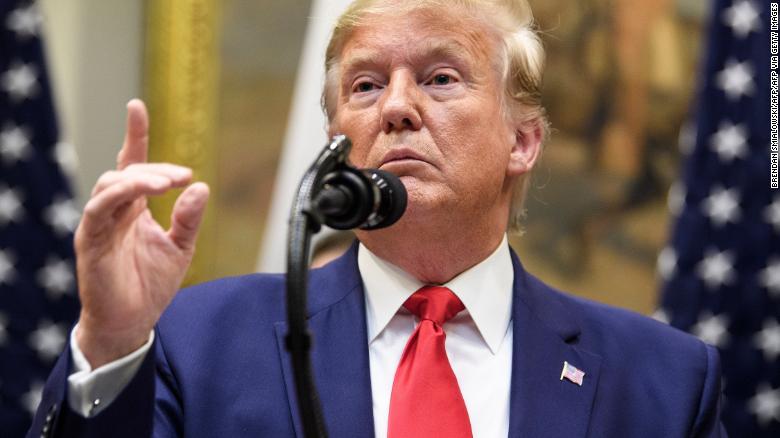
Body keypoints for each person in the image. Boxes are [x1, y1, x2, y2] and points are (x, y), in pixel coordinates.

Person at [29, 0, 726, 437]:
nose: (395, 106)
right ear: (337, 140)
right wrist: (113, 339)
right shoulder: (195, 343)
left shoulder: (662, 383)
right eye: (365, 85)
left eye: (440, 77)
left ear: (523, 141)